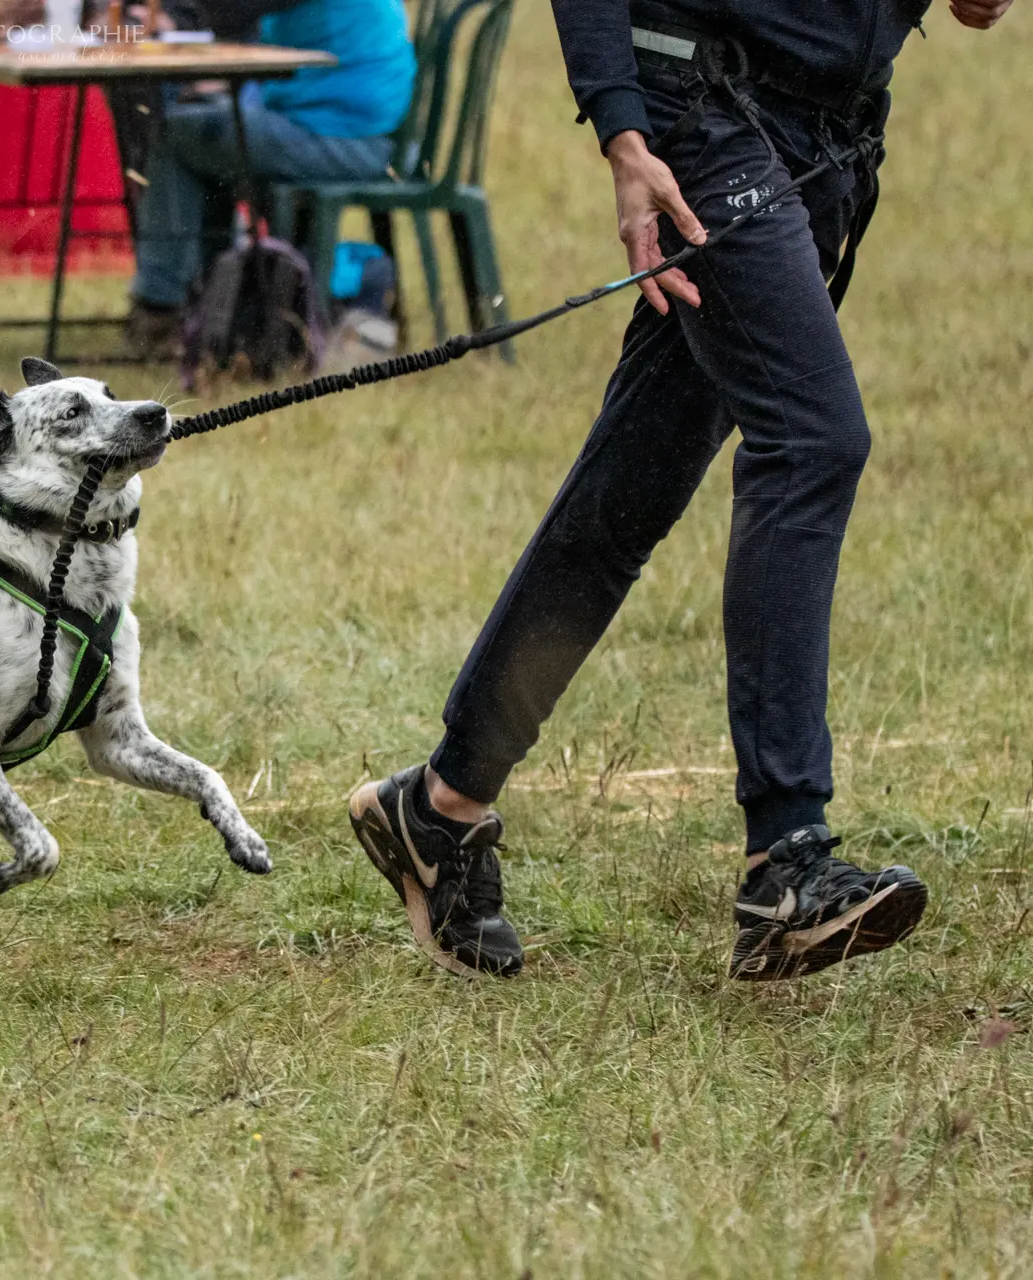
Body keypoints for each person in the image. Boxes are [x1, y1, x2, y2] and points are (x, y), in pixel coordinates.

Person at [347, 0, 1014, 980]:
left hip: (815, 138)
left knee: (630, 490)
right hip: (696, 121)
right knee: (812, 437)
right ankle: (783, 864)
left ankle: (437, 807)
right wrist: (622, 132)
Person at [121, 0, 415, 356]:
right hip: (343, 123)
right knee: (199, 128)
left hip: (343, 136)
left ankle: (161, 308)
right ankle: (209, 308)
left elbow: (229, 14)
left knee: (176, 137)